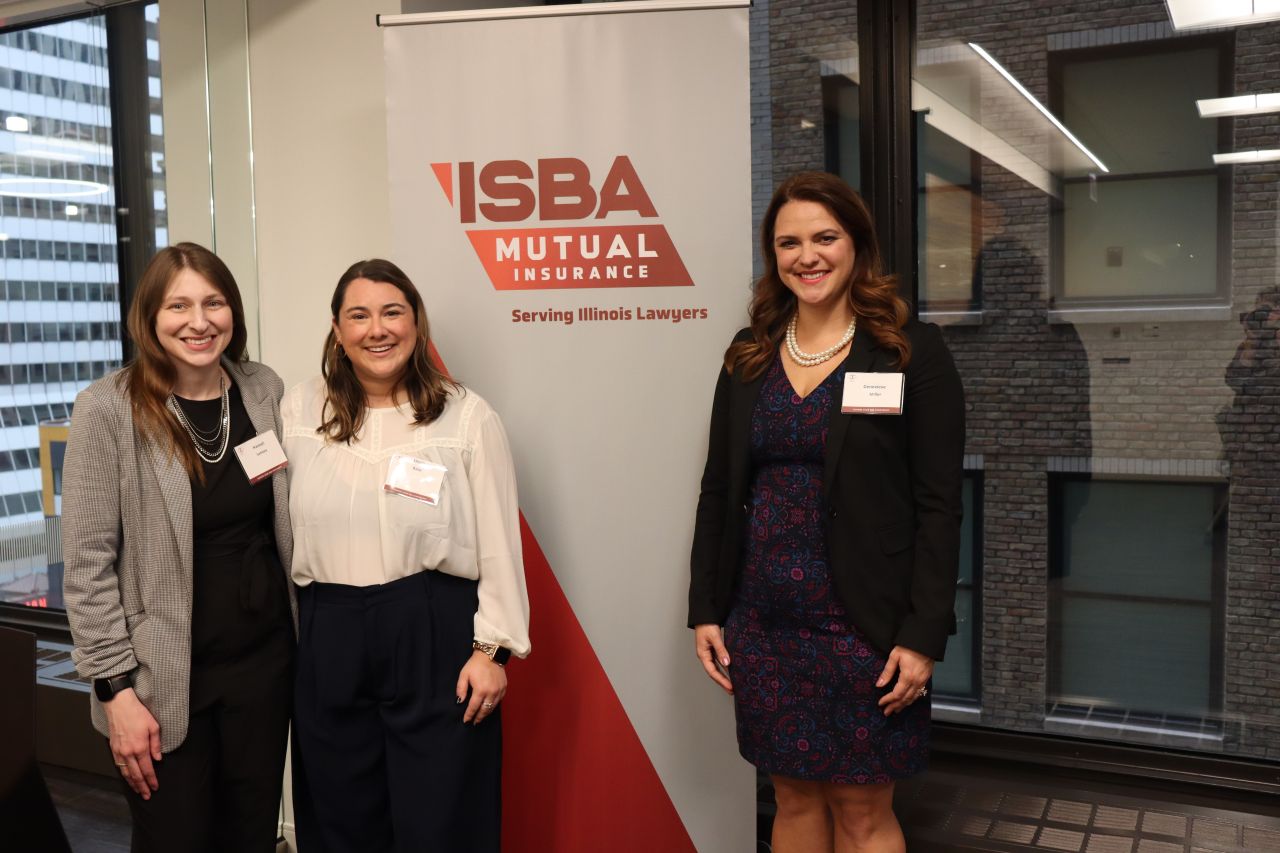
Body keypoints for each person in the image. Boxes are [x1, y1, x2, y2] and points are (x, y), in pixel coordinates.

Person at [688, 172, 965, 852]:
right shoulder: (749, 355)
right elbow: (719, 489)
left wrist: (924, 633)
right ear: (773, 255)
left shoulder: (909, 352)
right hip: (765, 622)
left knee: (863, 810)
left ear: (856, 245)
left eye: (824, 237)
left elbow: (940, 504)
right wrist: (705, 607)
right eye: (788, 242)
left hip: (864, 625)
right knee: (791, 797)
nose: (806, 256)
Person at [283, 259, 530, 853]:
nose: (377, 329)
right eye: (359, 315)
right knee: (341, 818)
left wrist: (491, 651)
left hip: (433, 634)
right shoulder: (295, 412)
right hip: (328, 635)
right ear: (337, 331)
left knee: (441, 819)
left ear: (417, 324)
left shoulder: (467, 415)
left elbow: (500, 541)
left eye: (392, 312)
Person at [63, 243, 295, 853]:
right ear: (150, 317)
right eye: (180, 306)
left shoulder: (261, 389)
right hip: (159, 680)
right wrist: (115, 692)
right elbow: (87, 568)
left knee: (249, 836)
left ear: (232, 311)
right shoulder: (108, 408)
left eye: (213, 302)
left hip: (263, 670)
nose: (199, 321)